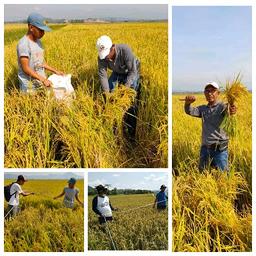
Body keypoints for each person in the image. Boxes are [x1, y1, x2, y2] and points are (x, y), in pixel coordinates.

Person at [184, 82, 237, 171]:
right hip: (205, 149)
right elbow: (189, 111)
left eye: (213, 91)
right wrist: (187, 103)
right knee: (202, 173)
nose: (210, 93)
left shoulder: (223, 107)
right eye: (207, 91)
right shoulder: (203, 109)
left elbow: (231, 110)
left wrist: (232, 109)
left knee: (223, 176)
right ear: (204, 93)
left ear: (218, 93)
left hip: (220, 150)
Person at [96, 35, 141, 140]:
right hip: (117, 72)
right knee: (107, 95)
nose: (106, 57)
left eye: (107, 54)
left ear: (113, 47)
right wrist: (107, 95)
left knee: (130, 100)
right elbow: (102, 75)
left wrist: (125, 90)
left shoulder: (125, 50)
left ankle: (131, 130)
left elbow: (132, 72)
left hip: (131, 72)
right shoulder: (102, 57)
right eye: (103, 56)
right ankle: (111, 125)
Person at [17, 13, 64, 92]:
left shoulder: (38, 42)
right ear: (31, 27)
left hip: (40, 82)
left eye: (44, 30)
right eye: (41, 30)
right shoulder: (24, 44)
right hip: (29, 86)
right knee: (30, 103)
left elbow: (41, 62)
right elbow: (26, 68)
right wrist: (43, 80)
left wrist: (55, 71)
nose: (43, 33)